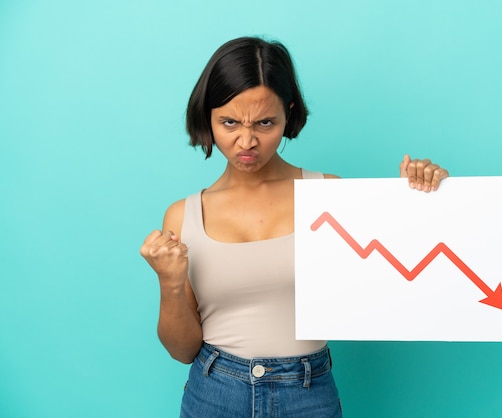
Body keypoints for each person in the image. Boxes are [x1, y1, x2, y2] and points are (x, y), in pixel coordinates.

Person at [140, 36, 448, 418]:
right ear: (208, 116)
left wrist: (419, 198)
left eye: (265, 122)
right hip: (214, 392)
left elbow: (407, 273)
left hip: (307, 392)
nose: (247, 141)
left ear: (288, 114)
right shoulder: (183, 215)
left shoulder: (331, 193)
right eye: (230, 122)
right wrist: (170, 283)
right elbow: (181, 350)